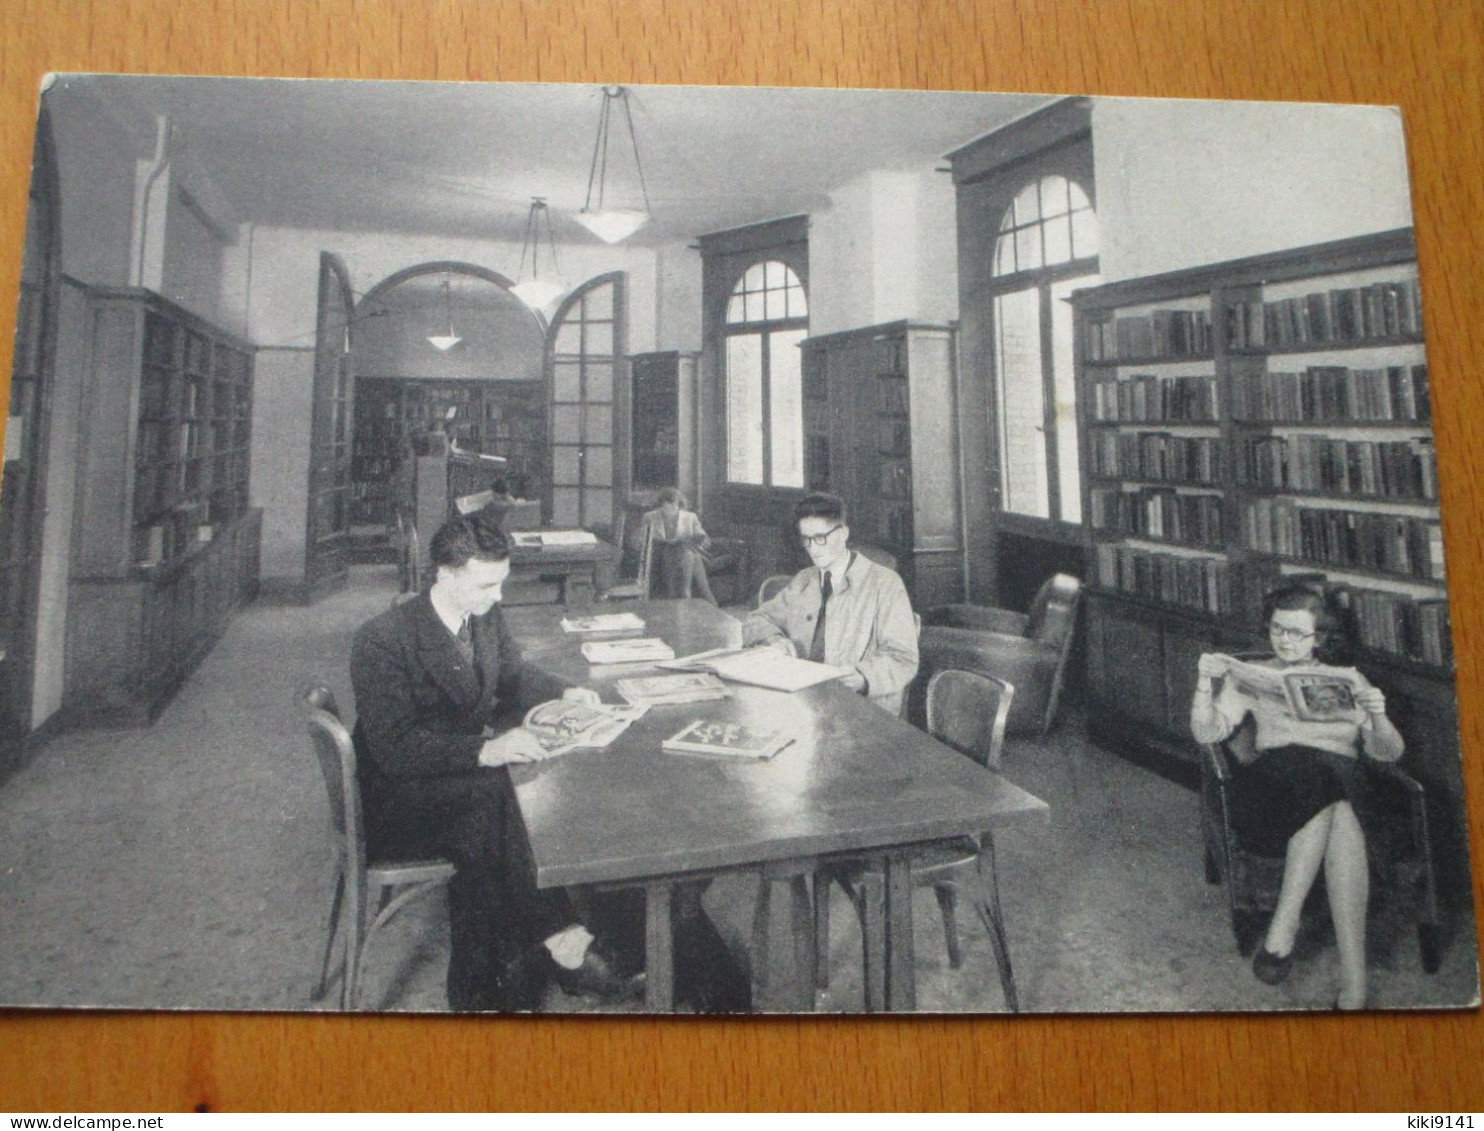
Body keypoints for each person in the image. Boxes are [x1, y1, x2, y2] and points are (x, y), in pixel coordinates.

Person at [350, 512, 642, 1011]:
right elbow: (395, 748)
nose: (498, 596)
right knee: (494, 806)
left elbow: (513, 674)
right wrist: (485, 749)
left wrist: (566, 691)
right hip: (395, 800)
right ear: (446, 573)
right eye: (487, 584)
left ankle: (485, 989)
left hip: (452, 781)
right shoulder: (383, 639)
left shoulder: (482, 615)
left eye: (501, 583)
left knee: (492, 817)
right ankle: (563, 944)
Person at [1191, 583, 1404, 1011]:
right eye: (1277, 630)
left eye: (1296, 633)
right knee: (1333, 792)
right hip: (1272, 790)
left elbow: (1389, 753)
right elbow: (1208, 733)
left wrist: (1378, 716)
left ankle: (1286, 936)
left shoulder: (1349, 681)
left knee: (1336, 794)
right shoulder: (1251, 677)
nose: (1285, 641)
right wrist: (1204, 686)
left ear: (1320, 637)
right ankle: (1352, 982)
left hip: (1339, 784)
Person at [742, 492, 919, 716]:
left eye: (821, 537)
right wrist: (774, 638)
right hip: (804, 702)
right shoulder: (804, 580)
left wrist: (863, 677)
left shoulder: (884, 584)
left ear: (843, 533)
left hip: (860, 709)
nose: (813, 548)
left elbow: (903, 658)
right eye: (806, 539)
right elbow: (756, 619)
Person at [633, 488, 726, 605]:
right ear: (660, 505)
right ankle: (700, 597)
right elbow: (639, 541)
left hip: (686, 556)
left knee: (688, 553)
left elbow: (706, 541)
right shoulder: (650, 517)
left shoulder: (690, 517)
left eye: (673, 505)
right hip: (661, 557)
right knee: (691, 558)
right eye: (664, 506)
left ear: (679, 505)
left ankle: (685, 593)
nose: (668, 509)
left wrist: (699, 539)